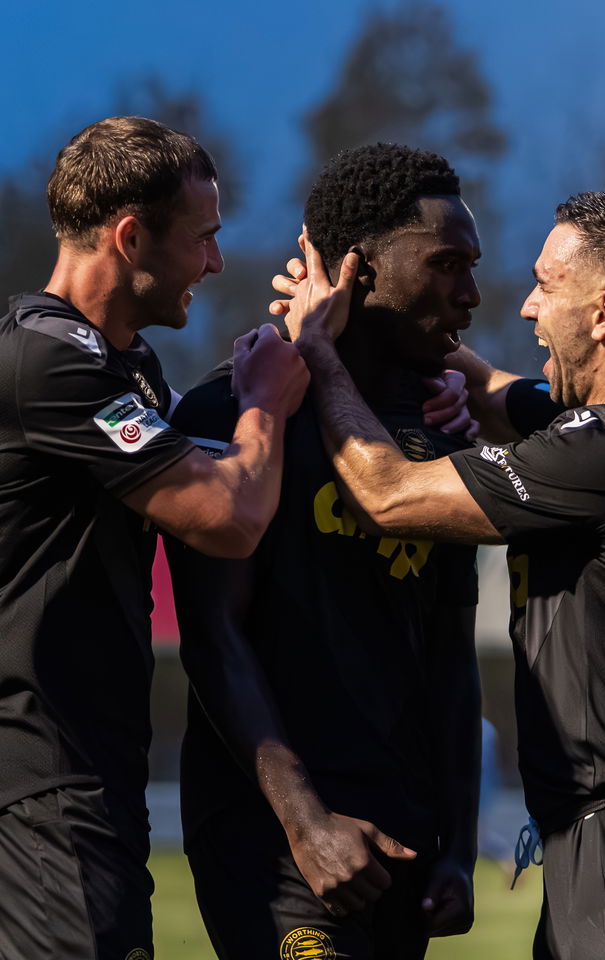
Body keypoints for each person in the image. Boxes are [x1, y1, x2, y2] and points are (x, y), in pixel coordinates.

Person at [273, 191, 605, 960]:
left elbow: (388, 494)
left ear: (603, 313)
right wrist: (405, 323)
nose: (527, 307)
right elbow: (497, 391)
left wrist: (319, 350)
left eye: (546, 285)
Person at [0, 115, 309, 960]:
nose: (213, 262)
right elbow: (228, 516)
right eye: (203, 238)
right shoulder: (48, 362)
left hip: (91, 771)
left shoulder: (121, 366)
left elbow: (202, 458)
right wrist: (264, 403)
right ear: (130, 236)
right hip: (40, 774)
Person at [166, 143, 483, 960]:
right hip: (275, 837)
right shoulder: (234, 410)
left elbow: (451, 656)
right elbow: (214, 636)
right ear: (357, 270)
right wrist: (304, 821)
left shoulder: (439, 430)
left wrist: (456, 839)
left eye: (472, 267)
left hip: (405, 838)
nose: (471, 294)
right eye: (446, 263)